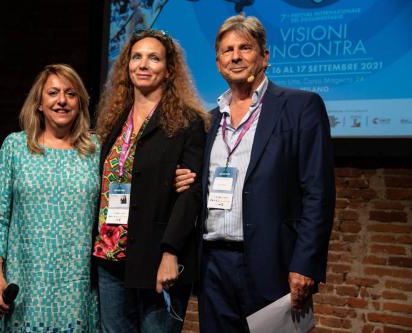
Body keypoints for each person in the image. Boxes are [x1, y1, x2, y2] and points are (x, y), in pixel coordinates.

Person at [175, 14, 335, 332]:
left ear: (264, 56)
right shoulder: (208, 121)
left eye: (245, 47)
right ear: (218, 62)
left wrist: (305, 264)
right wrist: (184, 179)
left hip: (272, 262)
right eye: (227, 50)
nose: (235, 56)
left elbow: (318, 193)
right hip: (214, 265)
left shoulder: (300, 107)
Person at [93, 29, 209, 333]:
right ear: (127, 66)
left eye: (154, 58)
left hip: (158, 258)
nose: (143, 64)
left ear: (169, 70)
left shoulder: (187, 122)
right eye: (137, 57)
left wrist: (170, 253)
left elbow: (190, 195)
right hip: (110, 257)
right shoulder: (114, 120)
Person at [0, 64, 100, 332]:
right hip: (25, 287)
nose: (62, 100)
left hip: (76, 290)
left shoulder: (95, 150)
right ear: (40, 103)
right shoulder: (16, 147)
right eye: (53, 93)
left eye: (70, 93)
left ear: (80, 103)